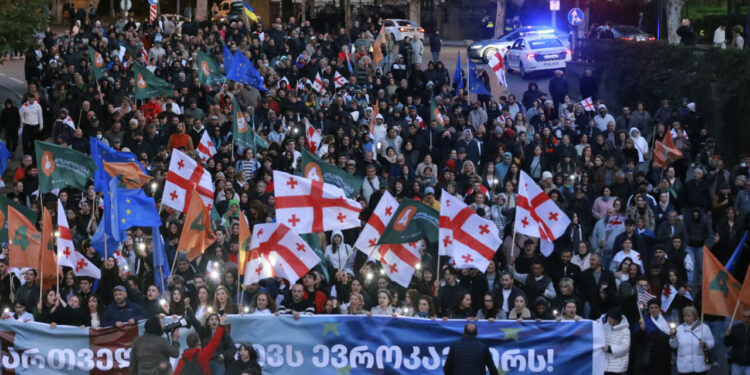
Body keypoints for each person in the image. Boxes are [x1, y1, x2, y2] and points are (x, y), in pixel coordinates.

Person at [670, 306, 715, 375]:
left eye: (689, 315)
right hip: (684, 366)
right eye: (685, 316)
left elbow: (711, 342)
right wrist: (673, 338)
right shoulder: (679, 329)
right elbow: (674, 346)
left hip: (700, 365)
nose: (686, 318)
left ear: (695, 316)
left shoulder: (704, 327)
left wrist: (705, 344)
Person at [603, 308, 630, 375]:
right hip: (605, 366)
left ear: (616, 320)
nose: (608, 319)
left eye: (611, 318)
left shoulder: (625, 330)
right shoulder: (605, 327)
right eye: (608, 317)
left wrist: (610, 348)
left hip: (618, 367)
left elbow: (625, 347)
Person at [724, 309, 750, 375]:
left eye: (749, 317)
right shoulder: (735, 328)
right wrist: (727, 336)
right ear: (741, 317)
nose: (746, 319)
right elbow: (727, 344)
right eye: (744, 317)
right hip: (736, 363)